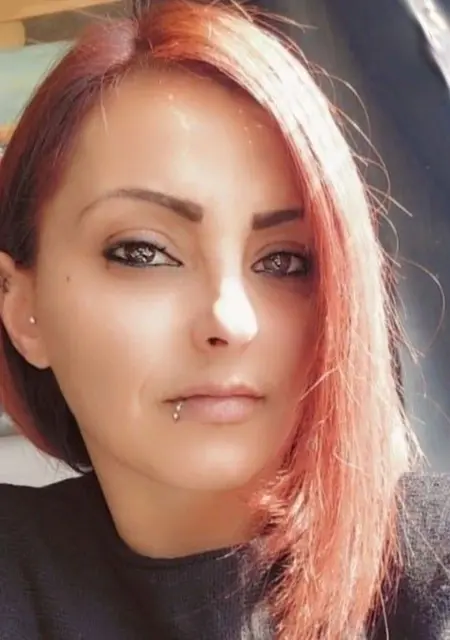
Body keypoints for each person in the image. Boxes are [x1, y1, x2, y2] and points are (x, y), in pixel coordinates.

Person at [0, 1, 448, 638]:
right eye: (143, 252)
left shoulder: (430, 576)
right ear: (23, 308)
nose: (231, 321)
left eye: (285, 261)